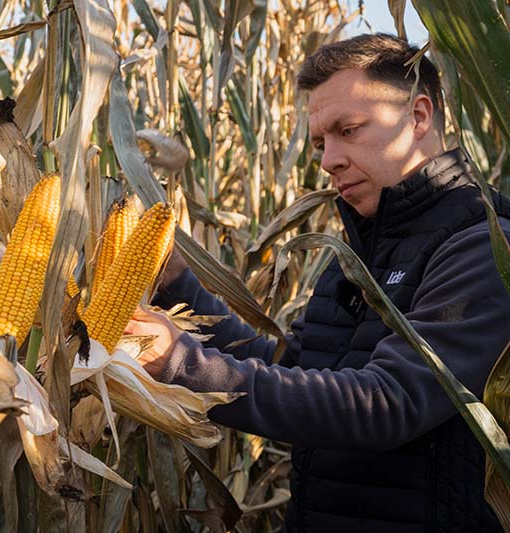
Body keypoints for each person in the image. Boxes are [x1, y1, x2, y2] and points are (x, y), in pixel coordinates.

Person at [125, 33, 510, 532]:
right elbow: (290, 370)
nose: (328, 161)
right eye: (320, 144)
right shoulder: (355, 254)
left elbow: (387, 404)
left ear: (418, 117)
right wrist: (178, 285)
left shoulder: (485, 246)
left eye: (348, 130)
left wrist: (182, 363)